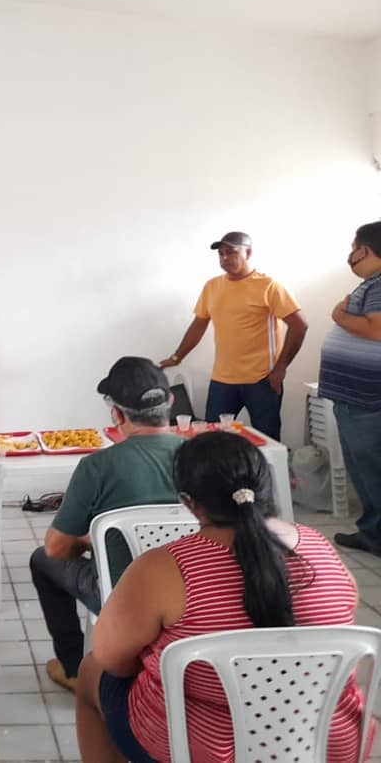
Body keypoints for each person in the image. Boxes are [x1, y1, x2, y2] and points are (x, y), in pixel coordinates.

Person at [76, 432, 367, 763]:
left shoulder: (164, 567)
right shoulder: (319, 546)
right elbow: (346, 607)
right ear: (267, 487)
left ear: (189, 503)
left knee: (91, 671)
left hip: (203, 750)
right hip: (323, 743)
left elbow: (112, 659)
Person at [30, 358, 182, 693]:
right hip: (194, 593)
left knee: (42, 559)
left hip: (122, 598)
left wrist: (90, 540)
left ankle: (73, 668)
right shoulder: (207, 457)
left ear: (117, 415)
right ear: (171, 401)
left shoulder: (98, 466)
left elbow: (57, 548)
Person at [160, 232, 307, 440]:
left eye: (231, 252)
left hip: (262, 380)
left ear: (248, 253)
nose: (225, 258)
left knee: (267, 441)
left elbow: (299, 326)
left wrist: (281, 368)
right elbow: (199, 325)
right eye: (221, 254)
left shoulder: (268, 286)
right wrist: (177, 357)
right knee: (212, 439)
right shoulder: (212, 287)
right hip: (222, 380)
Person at [321, 221, 381, 557]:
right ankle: (372, 532)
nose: (350, 255)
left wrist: (340, 317)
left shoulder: (379, 284)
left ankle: (376, 536)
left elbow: (376, 330)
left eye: (354, 247)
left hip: (365, 399)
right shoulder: (372, 284)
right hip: (357, 397)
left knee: (370, 470)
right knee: (364, 469)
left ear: (366, 249)